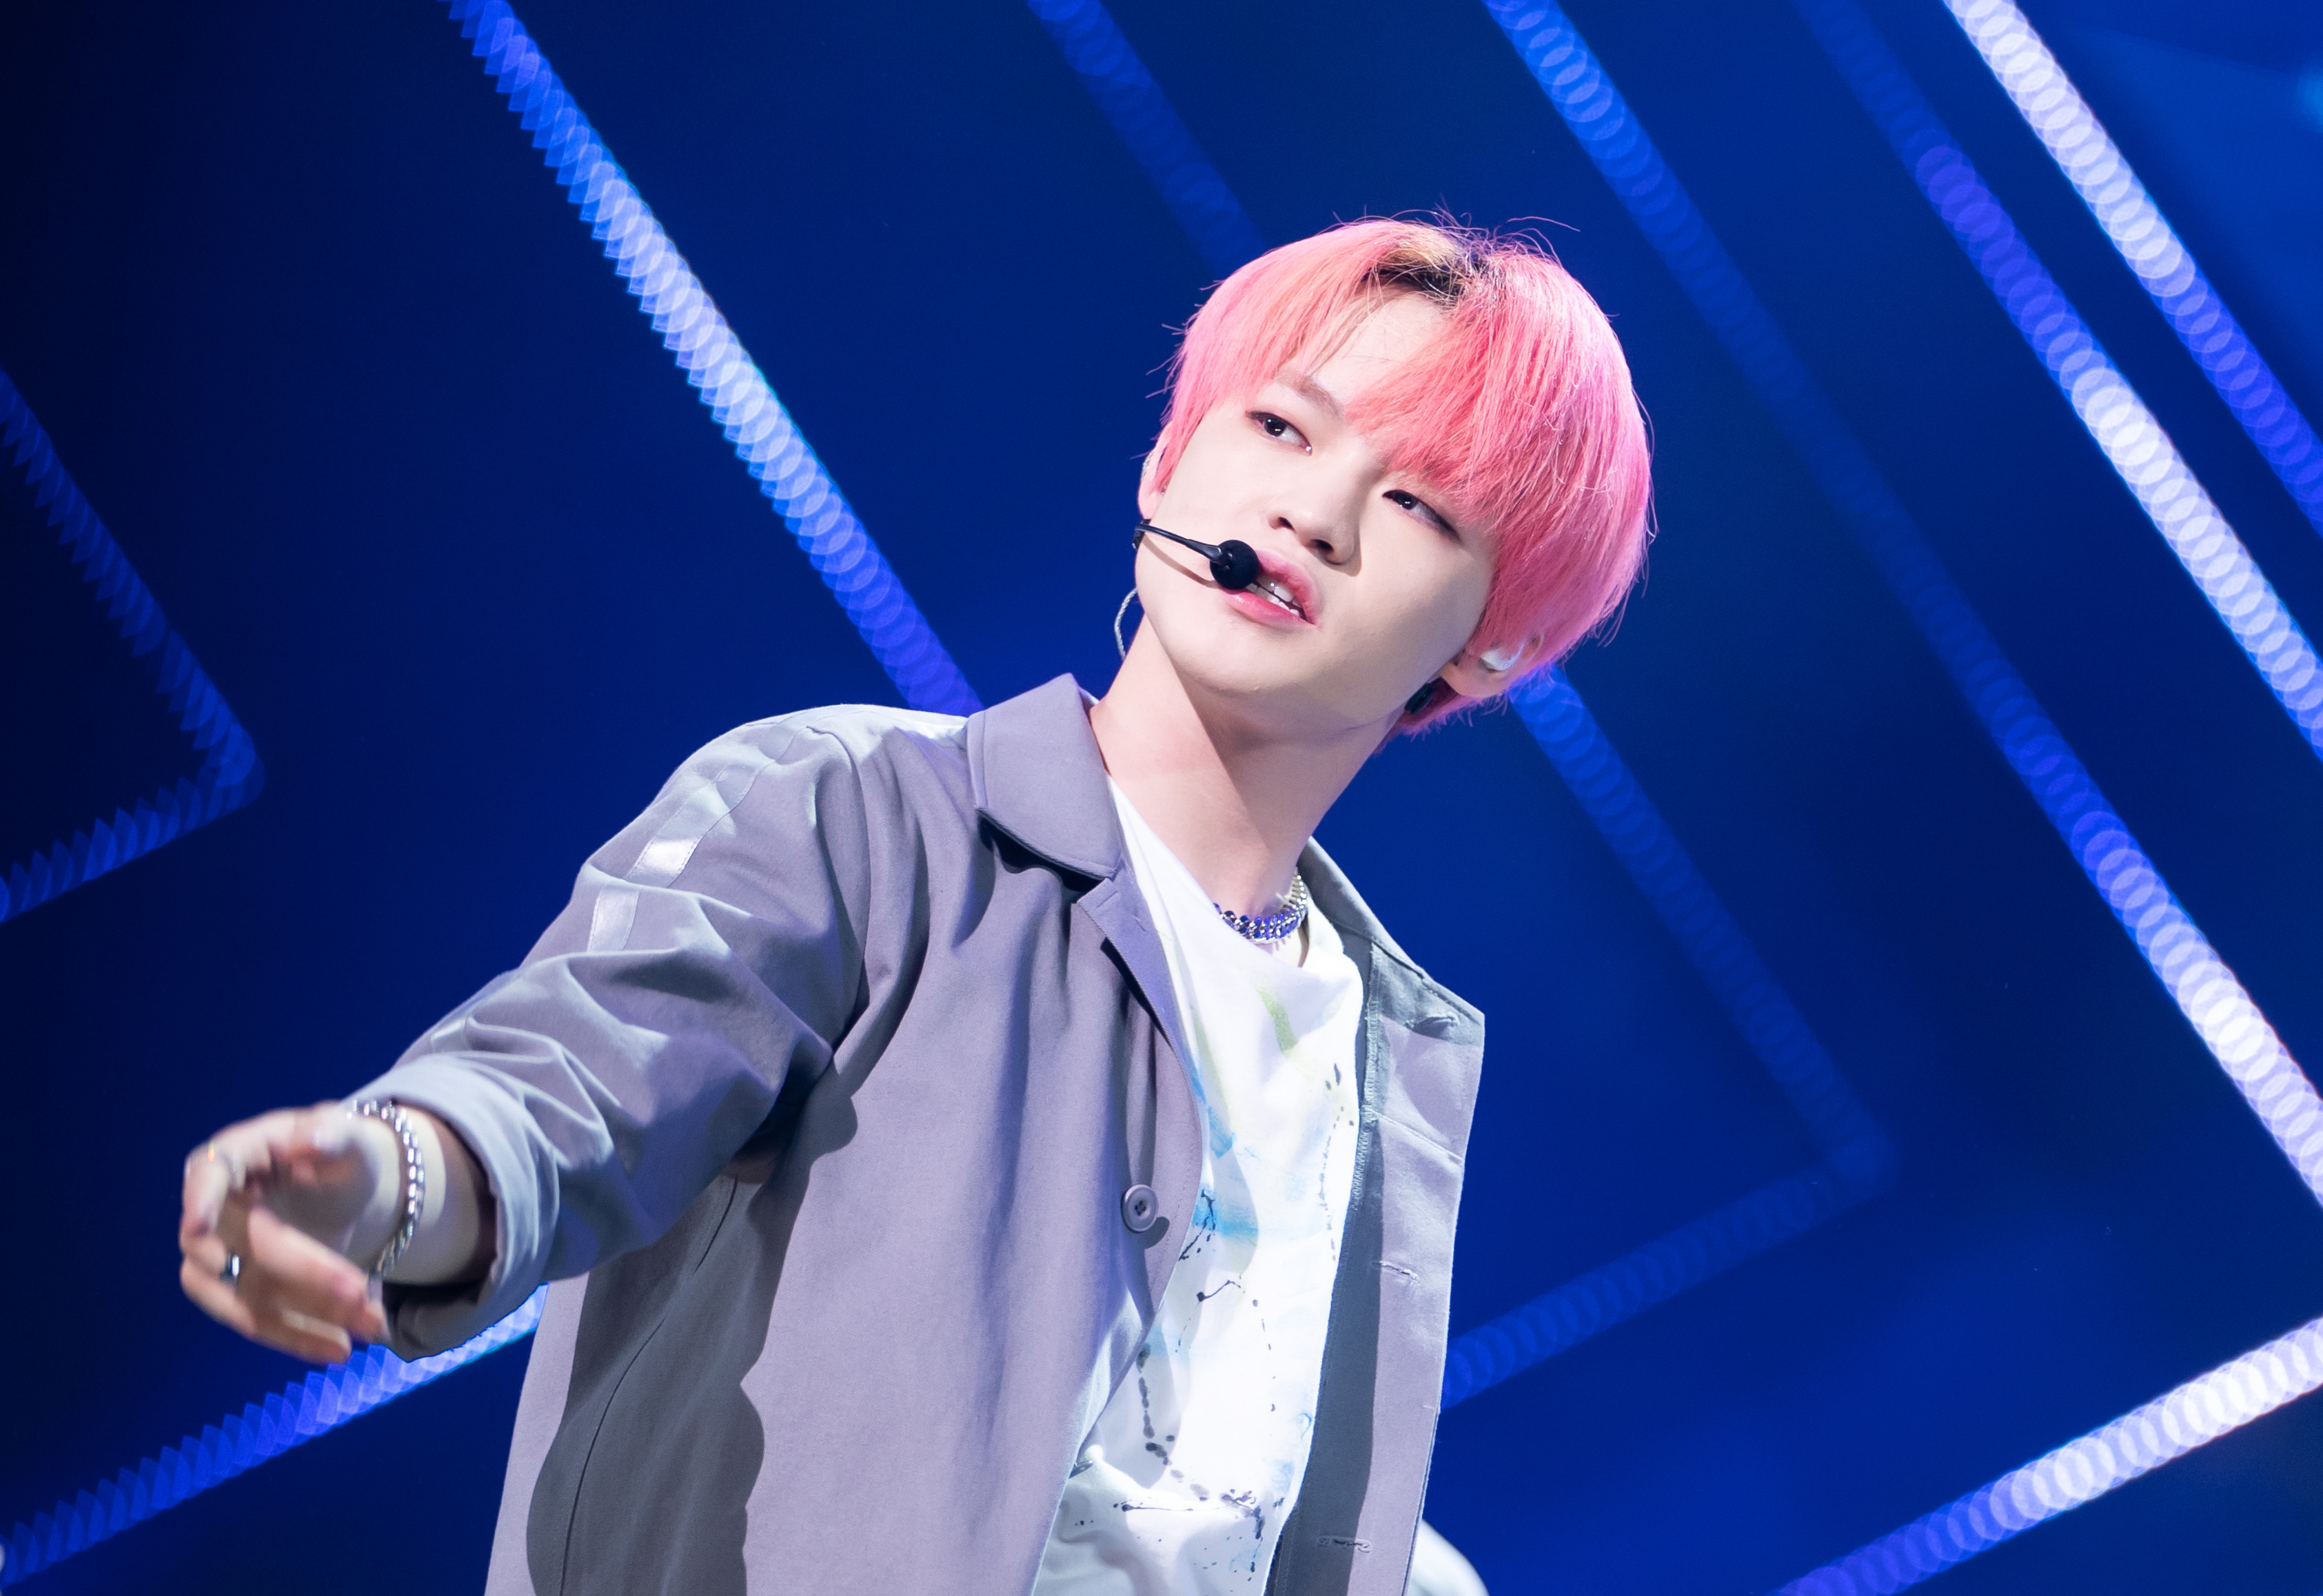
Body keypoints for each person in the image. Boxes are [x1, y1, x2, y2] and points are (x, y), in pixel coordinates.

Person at [176, 216, 1650, 1596]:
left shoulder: (1376, 1059)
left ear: (1493, 647)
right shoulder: (863, 814)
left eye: (1415, 504)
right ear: (1168, 463)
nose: (1314, 511)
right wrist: (394, 1173)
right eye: (1280, 427)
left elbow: (1207, 1485)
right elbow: (573, 1076)